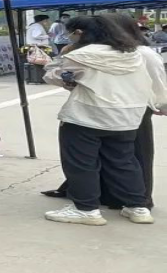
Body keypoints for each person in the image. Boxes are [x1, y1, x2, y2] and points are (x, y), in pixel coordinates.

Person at [44, 14, 167, 210]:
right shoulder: (132, 53)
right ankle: (136, 204)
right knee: (124, 160)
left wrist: (63, 57)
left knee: (89, 162)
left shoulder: (88, 53)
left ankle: (89, 207)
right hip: (130, 111)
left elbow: (56, 76)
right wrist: (160, 103)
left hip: (100, 112)